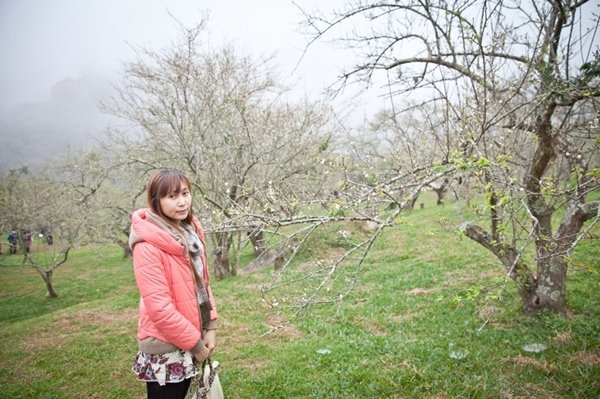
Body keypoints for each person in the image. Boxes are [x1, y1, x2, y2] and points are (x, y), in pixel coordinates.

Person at [129, 169, 218, 399]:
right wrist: (196, 344)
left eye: (186, 193)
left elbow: (203, 284)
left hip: (191, 337)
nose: (182, 202)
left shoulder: (190, 233)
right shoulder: (148, 245)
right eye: (172, 196)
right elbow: (159, 308)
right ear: (156, 201)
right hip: (165, 348)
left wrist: (211, 326)